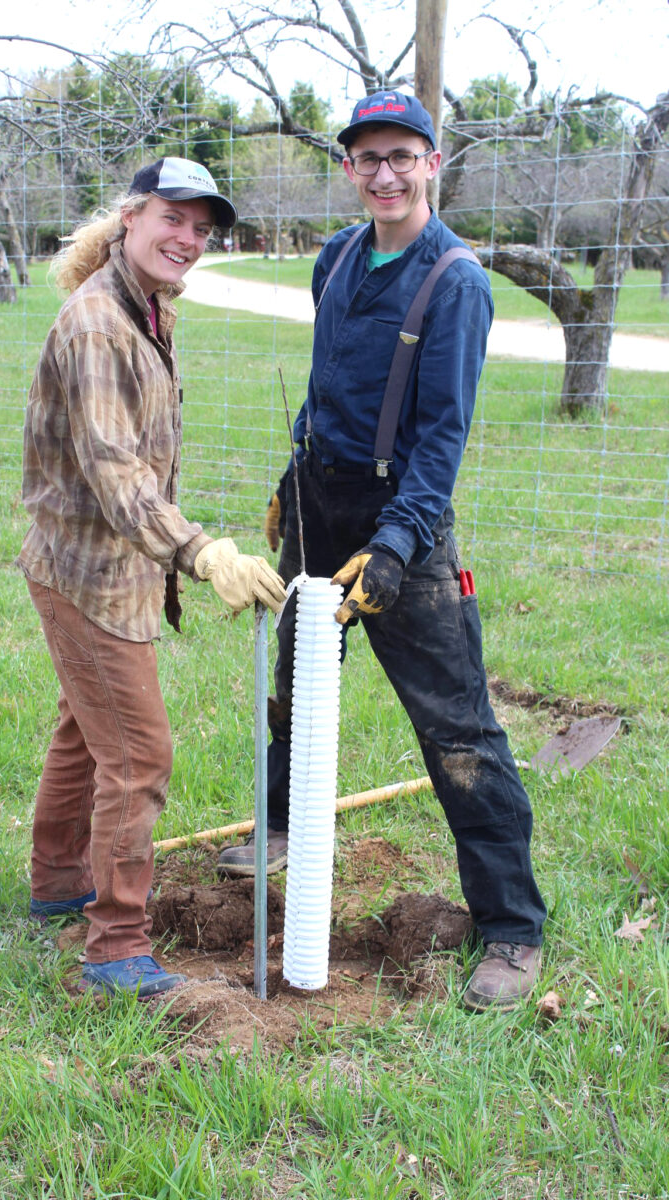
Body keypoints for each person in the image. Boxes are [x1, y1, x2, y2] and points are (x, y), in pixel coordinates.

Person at [217, 92, 547, 1012]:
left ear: (433, 163)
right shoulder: (337, 257)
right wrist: (293, 480)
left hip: (403, 518)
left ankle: (512, 929)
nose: (386, 175)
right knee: (301, 677)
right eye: (368, 159)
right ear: (351, 168)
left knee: (457, 729)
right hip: (322, 502)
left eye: (403, 156)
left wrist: (398, 545)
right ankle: (282, 823)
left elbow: (441, 438)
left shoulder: (457, 282)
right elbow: (327, 389)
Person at [17, 157, 286, 999]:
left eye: (203, 229)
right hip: (89, 575)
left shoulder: (145, 310)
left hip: (104, 568)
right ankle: (116, 945)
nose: (190, 239)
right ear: (129, 216)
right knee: (138, 754)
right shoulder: (99, 321)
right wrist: (200, 551)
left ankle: (59, 881)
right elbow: (112, 468)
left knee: (82, 731)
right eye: (175, 218)